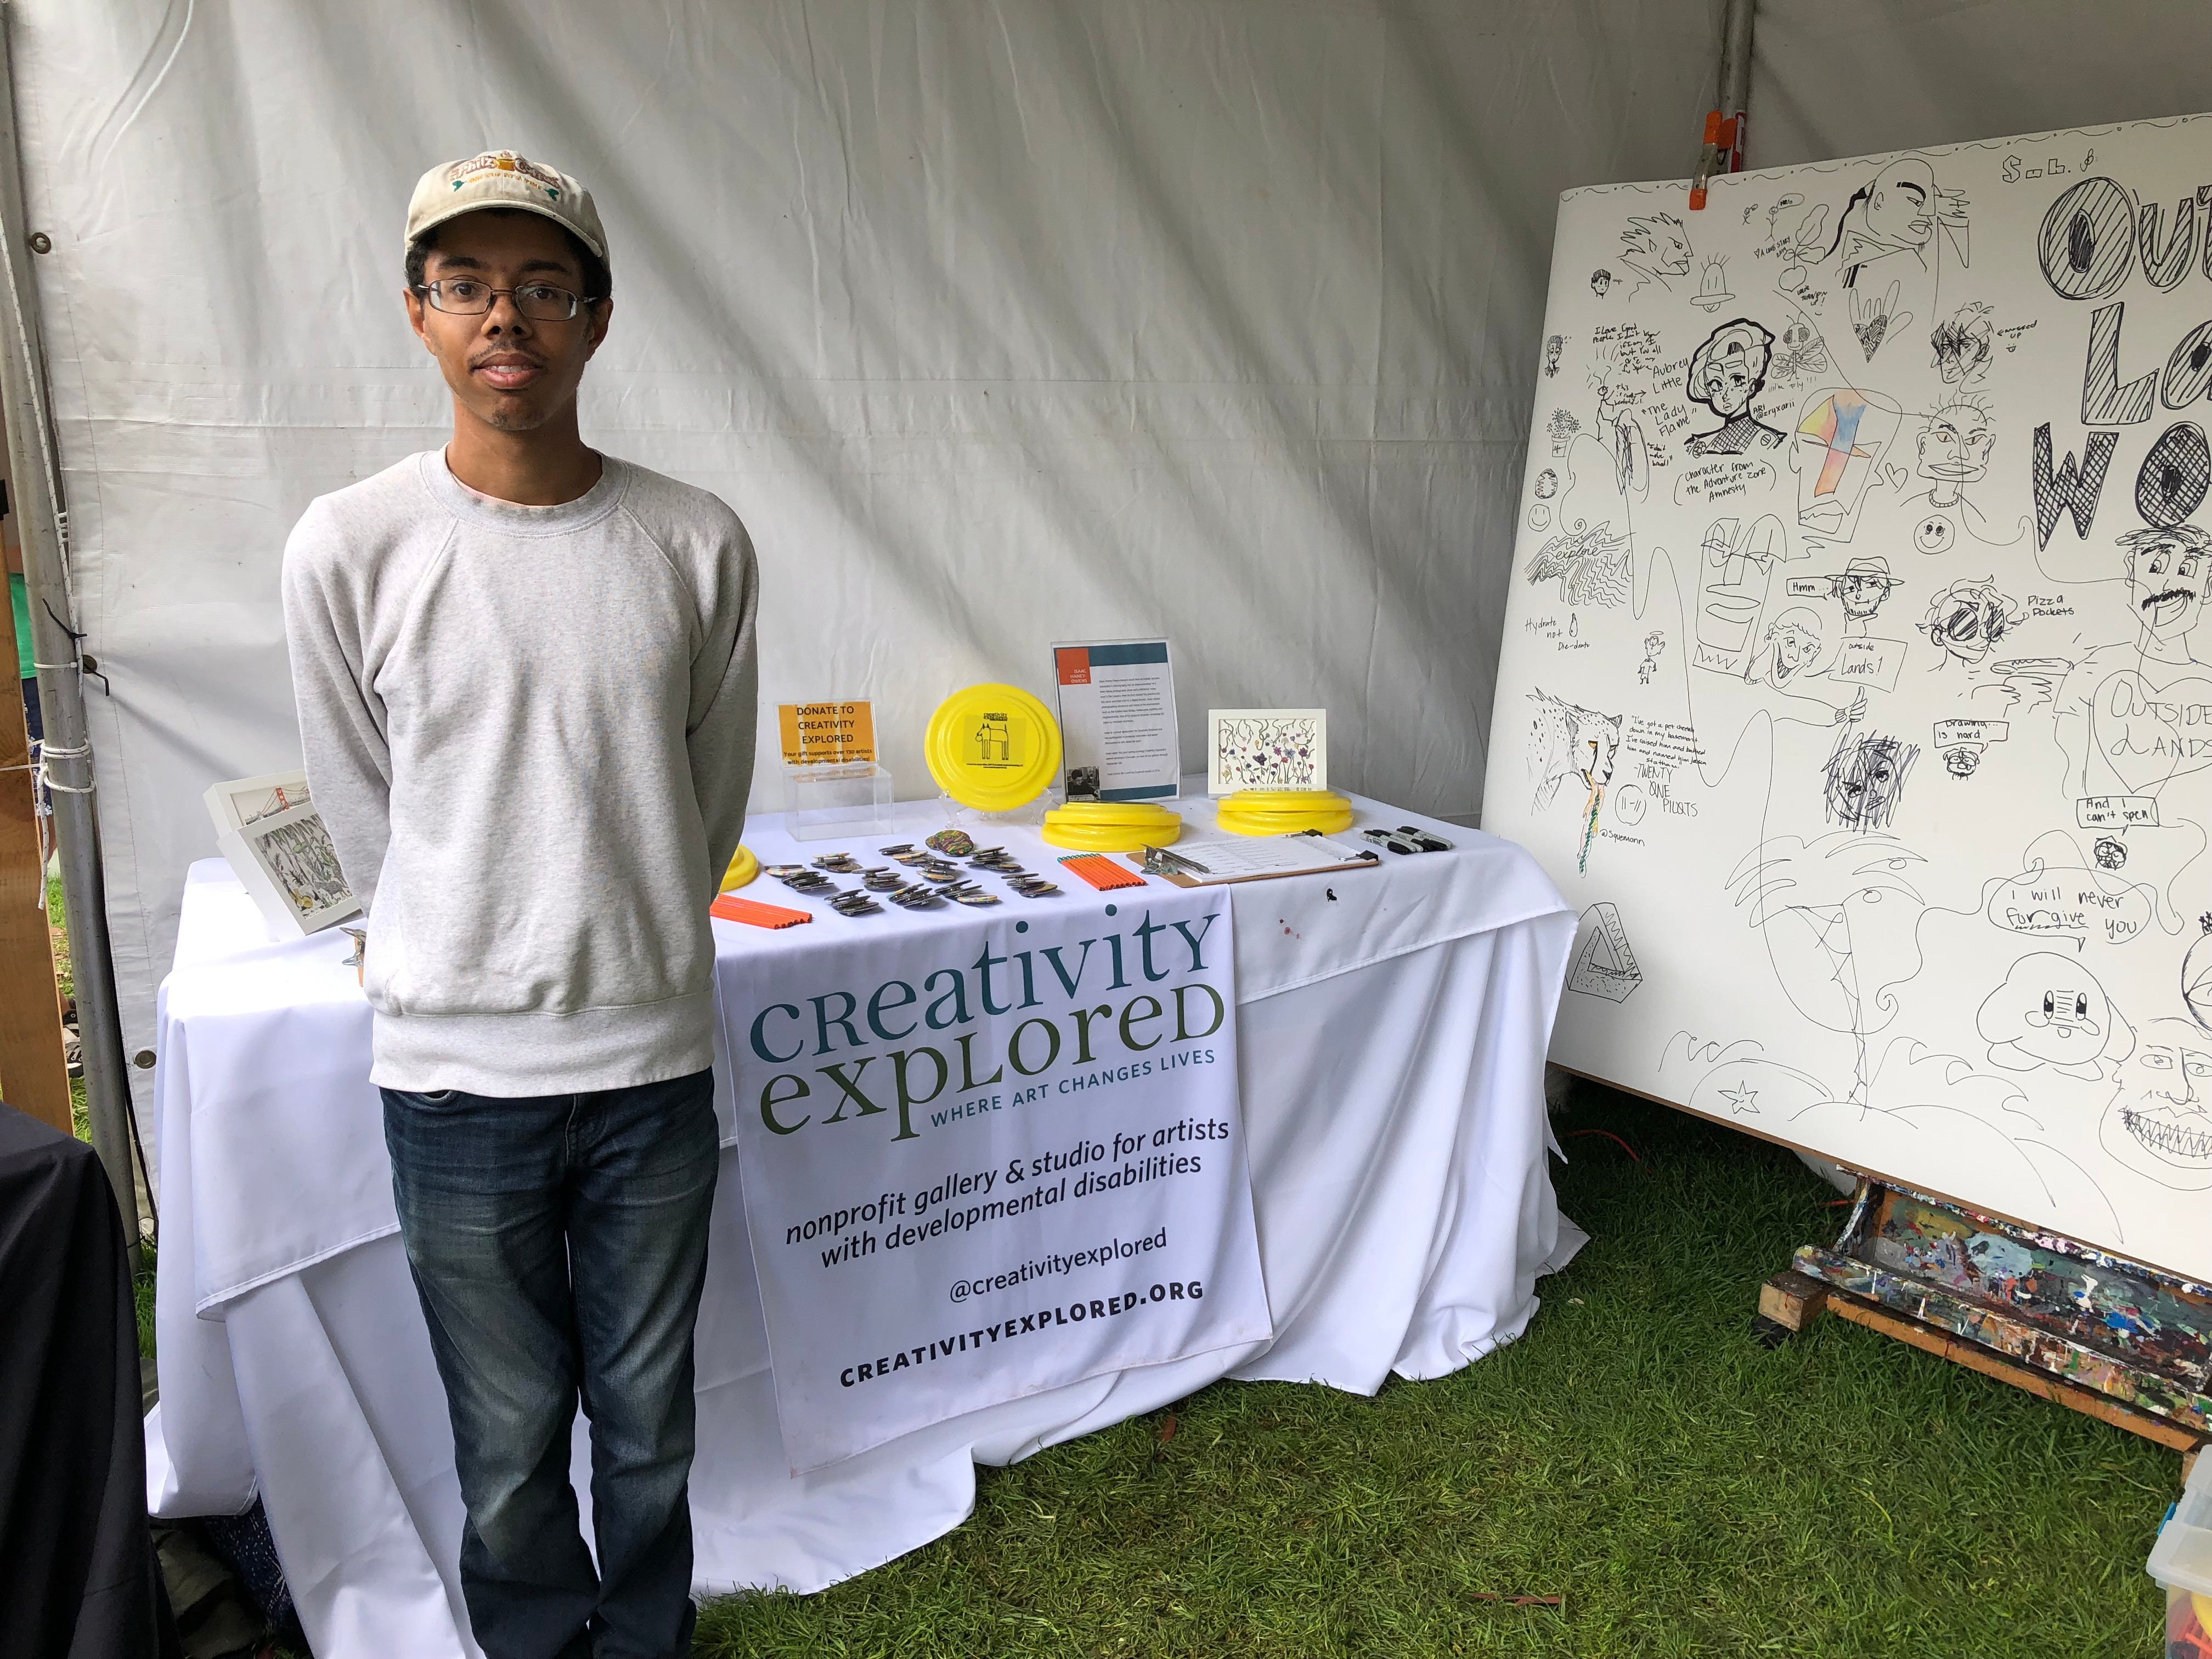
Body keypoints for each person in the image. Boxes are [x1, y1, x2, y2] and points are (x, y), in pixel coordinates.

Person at [282, 150, 759, 1659]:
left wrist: (630, 941)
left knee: (650, 1418)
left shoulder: (696, 542)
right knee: (503, 1440)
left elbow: (710, 796)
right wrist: (451, 945)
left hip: (649, 1069)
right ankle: (539, 1642)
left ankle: (646, 1636)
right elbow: (360, 806)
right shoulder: (350, 546)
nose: (509, 318)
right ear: (418, 313)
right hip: (453, 1079)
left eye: (545, 286)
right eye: (471, 284)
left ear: (599, 320)